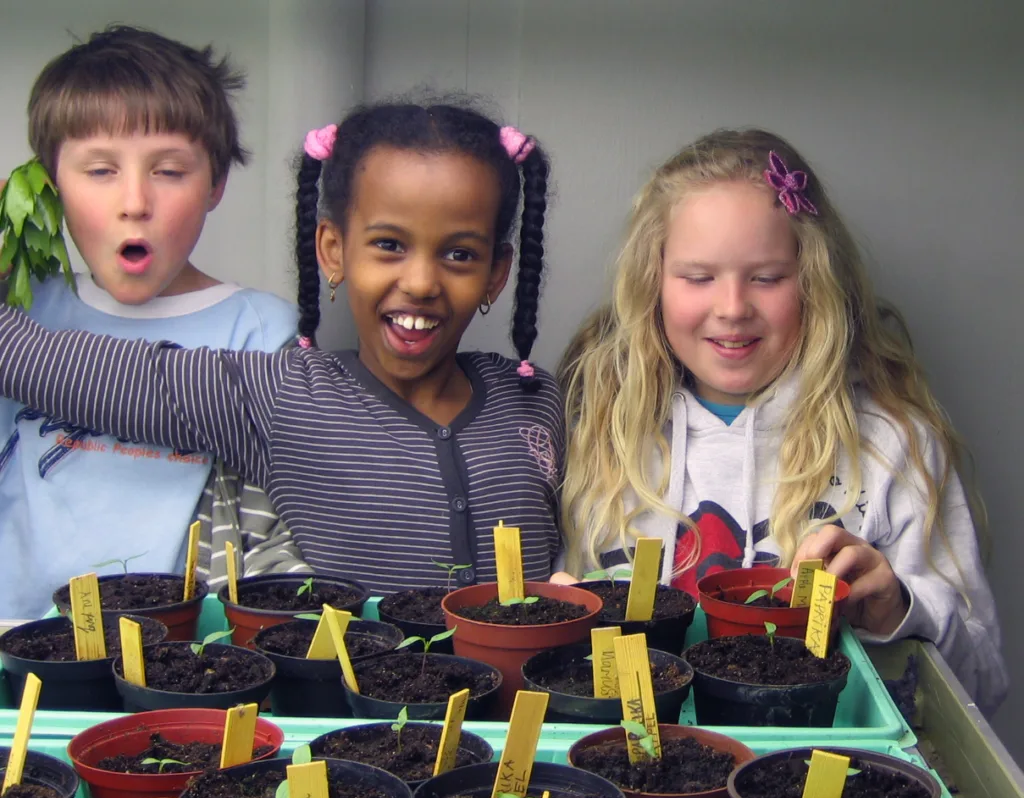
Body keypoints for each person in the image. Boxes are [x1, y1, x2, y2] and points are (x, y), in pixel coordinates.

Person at [0, 98, 564, 596]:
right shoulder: (283, 395)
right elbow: (46, 365)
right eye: (389, 245)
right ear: (334, 251)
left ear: (497, 273)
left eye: (460, 254)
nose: (420, 282)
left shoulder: (534, 398)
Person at [555, 128, 1007, 713]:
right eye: (698, 277)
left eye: (766, 278)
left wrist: (897, 606)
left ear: (814, 281)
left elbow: (983, 683)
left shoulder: (892, 445)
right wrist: (563, 630)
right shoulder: (603, 436)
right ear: (653, 283)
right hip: (638, 755)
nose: (732, 308)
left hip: (830, 754)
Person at [0, 25, 298, 619]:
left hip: (173, 646)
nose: (135, 202)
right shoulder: (22, 306)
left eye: (168, 171)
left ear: (215, 184)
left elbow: (277, 528)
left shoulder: (261, 331)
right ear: (50, 186)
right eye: (99, 170)